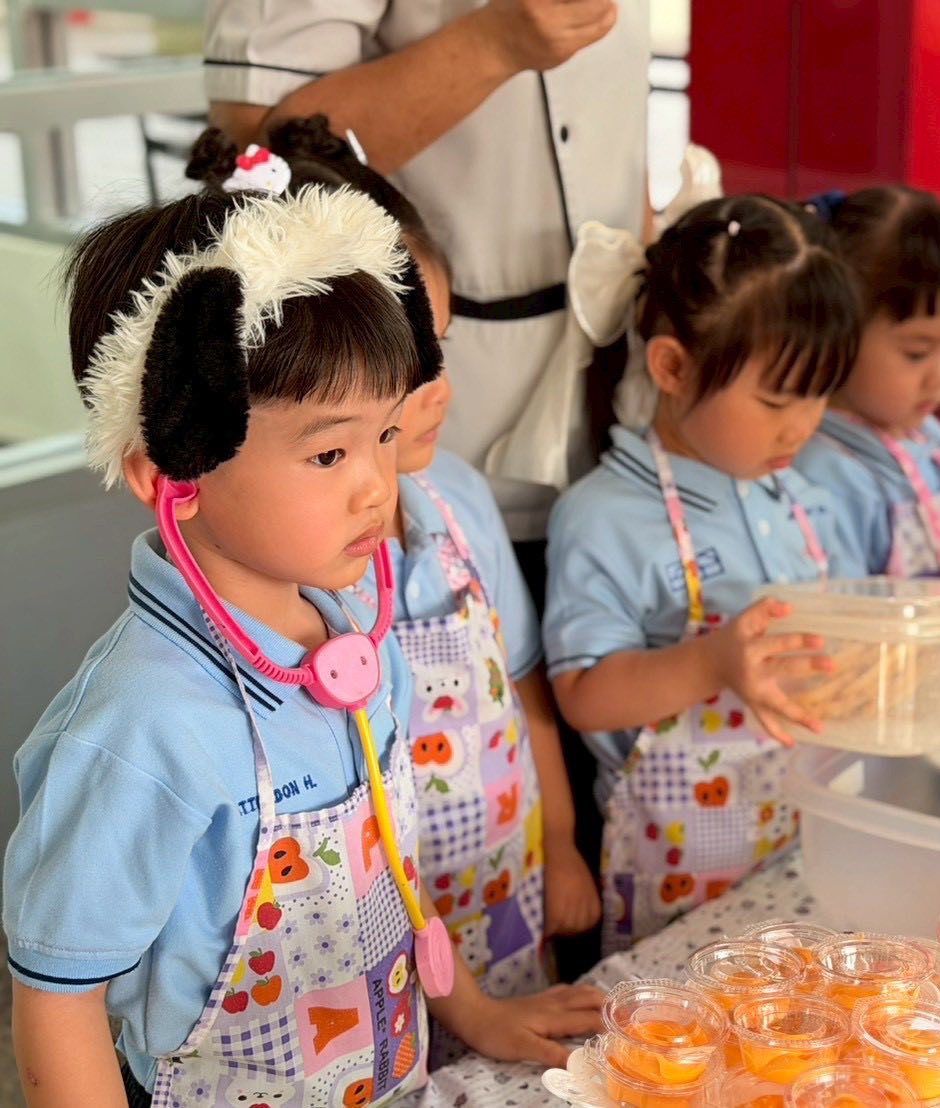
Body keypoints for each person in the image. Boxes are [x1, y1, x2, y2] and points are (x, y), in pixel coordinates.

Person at [4, 171, 602, 1106]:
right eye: (329, 452)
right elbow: (58, 1001)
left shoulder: (355, 640)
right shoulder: (139, 728)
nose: (376, 487)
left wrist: (476, 1014)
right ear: (171, 471)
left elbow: (392, 871)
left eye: (385, 436)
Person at [187, 118, 601, 1043]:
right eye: (404, 367)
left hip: (506, 899)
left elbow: (525, 686)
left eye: (439, 348)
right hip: (363, 976)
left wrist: (563, 843)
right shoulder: (292, 570)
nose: (438, 388)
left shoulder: (462, 501)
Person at [542, 195, 866, 953]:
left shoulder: (803, 495)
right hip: (675, 886)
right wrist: (713, 662)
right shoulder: (603, 517)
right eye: (776, 399)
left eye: (820, 394)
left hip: (804, 852)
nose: (802, 425)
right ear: (673, 367)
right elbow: (583, 695)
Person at [204, 0, 650, 544]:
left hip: (617, 394)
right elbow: (258, 163)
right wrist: (493, 45)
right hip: (426, 416)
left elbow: (621, 119)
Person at [794, 187, 940, 583]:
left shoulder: (930, 437)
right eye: (917, 353)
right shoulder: (825, 479)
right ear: (838, 333)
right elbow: (843, 610)